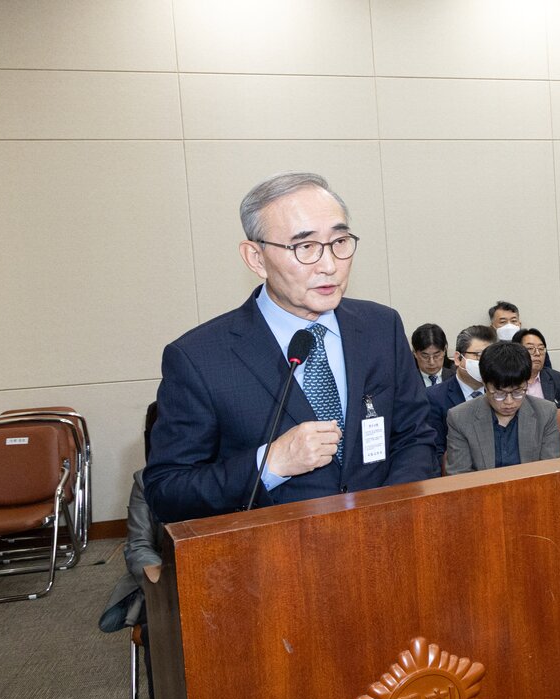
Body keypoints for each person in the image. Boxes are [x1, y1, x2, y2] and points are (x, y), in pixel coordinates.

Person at [144, 172, 436, 522]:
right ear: (255, 258)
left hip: (383, 542)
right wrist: (272, 463)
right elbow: (168, 490)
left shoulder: (380, 326)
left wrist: (389, 509)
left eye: (339, 242)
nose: (329, 266)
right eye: (305, 247)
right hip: (273, 559)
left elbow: (417, 436)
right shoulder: (199, 357)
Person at [100, 404, 165, 699]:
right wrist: (163, 586)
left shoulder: (224, 472)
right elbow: (138, 547)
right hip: (161, 583)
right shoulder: (146, 480)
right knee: (160, 631)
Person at [444, 341, 560, 474]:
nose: (509, 402)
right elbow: (460, 478)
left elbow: (551, 471)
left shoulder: (545, 413)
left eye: (518, 392)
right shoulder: (460, 418)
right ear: (485, 386)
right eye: (499, 393)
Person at [425, 325, 496, 459]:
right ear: (458, 358)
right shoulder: (433, 397)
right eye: (479, 355)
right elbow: (435, 452)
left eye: (490, 356)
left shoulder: (500, 394)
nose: (485, 362)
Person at [514, 327, 560, 408]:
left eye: (541, 349)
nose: (537, 353)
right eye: (530, 348)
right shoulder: (506, 380)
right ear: (516, 352)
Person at [411, 323, 453, 388]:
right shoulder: (406, 381)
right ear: (415, 353)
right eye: (425, 356)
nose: (431, 362)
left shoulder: (456, 378)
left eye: (436, 355)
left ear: (444, 350)